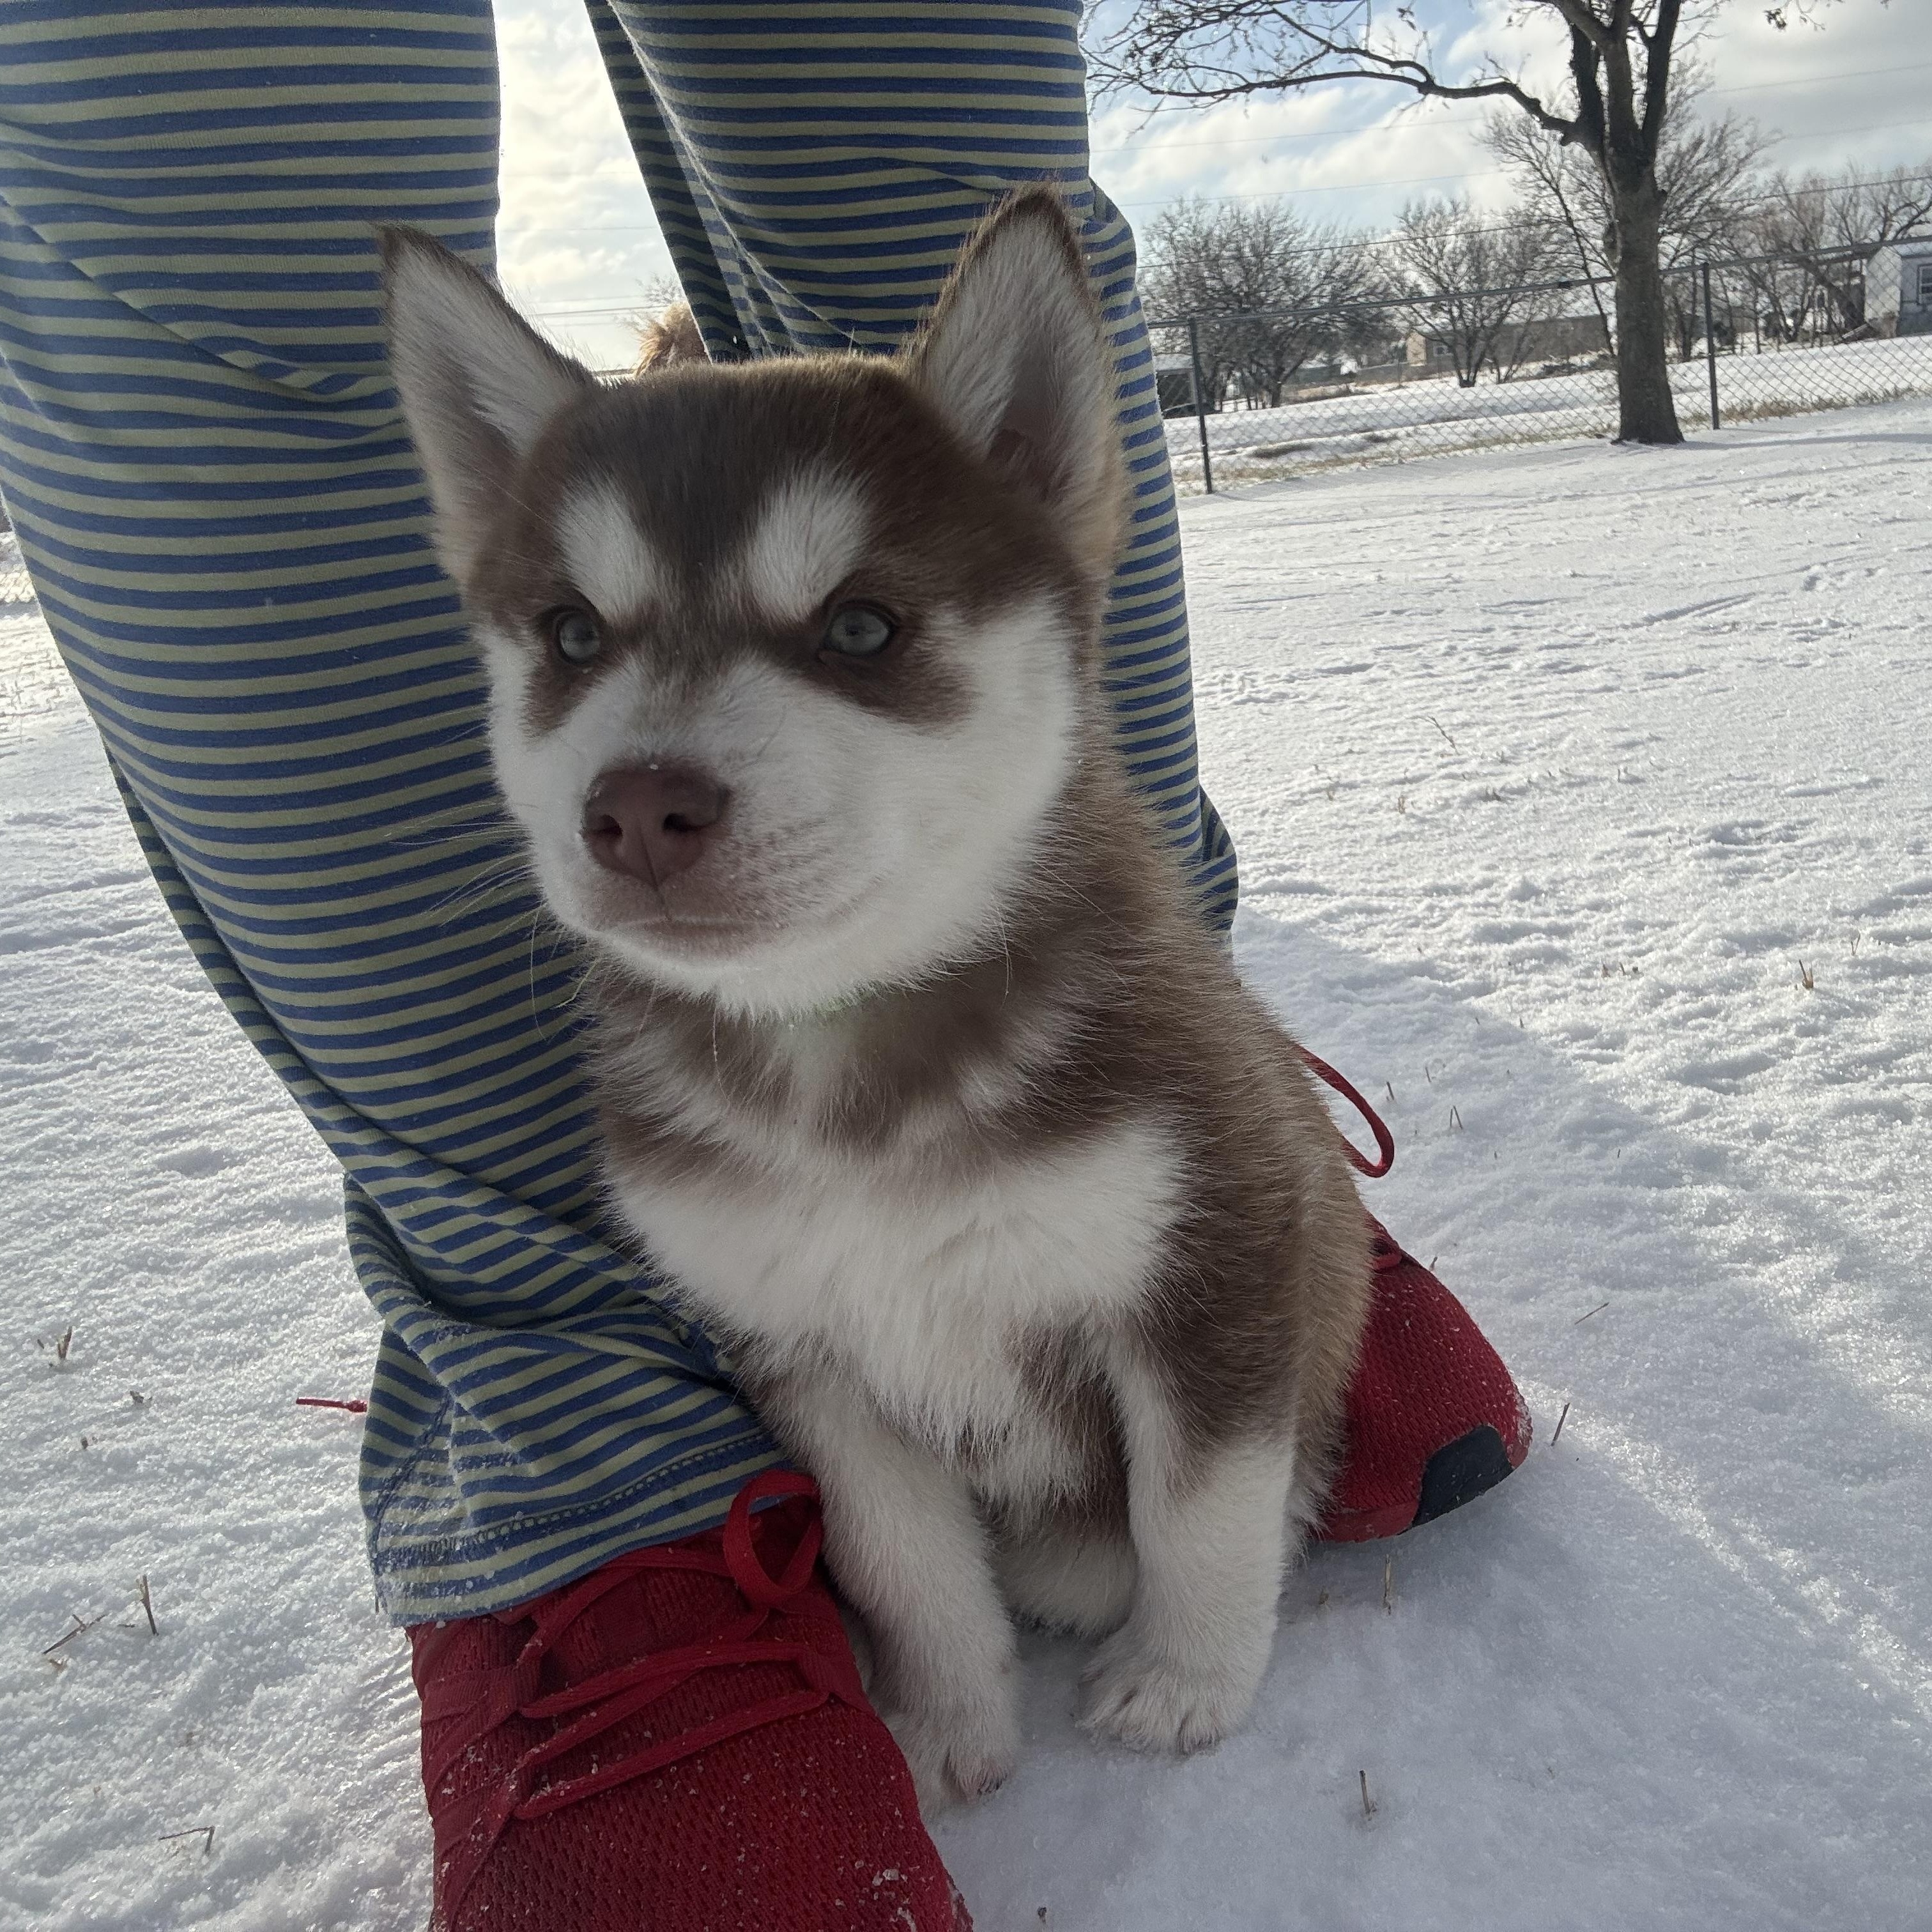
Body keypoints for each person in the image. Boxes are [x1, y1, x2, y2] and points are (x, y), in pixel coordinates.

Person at [0, 5, 1528, 1926]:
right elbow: (804, 1358)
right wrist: (945, 1666)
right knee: (205, 207)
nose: (654, 779)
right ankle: (575, 1431)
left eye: (857, 629)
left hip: (1089, 1063)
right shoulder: (666, 1110)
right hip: (728, 1143)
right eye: (577, 636)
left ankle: (1245, 1173)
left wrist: (1206, 1619)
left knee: (901, 115)